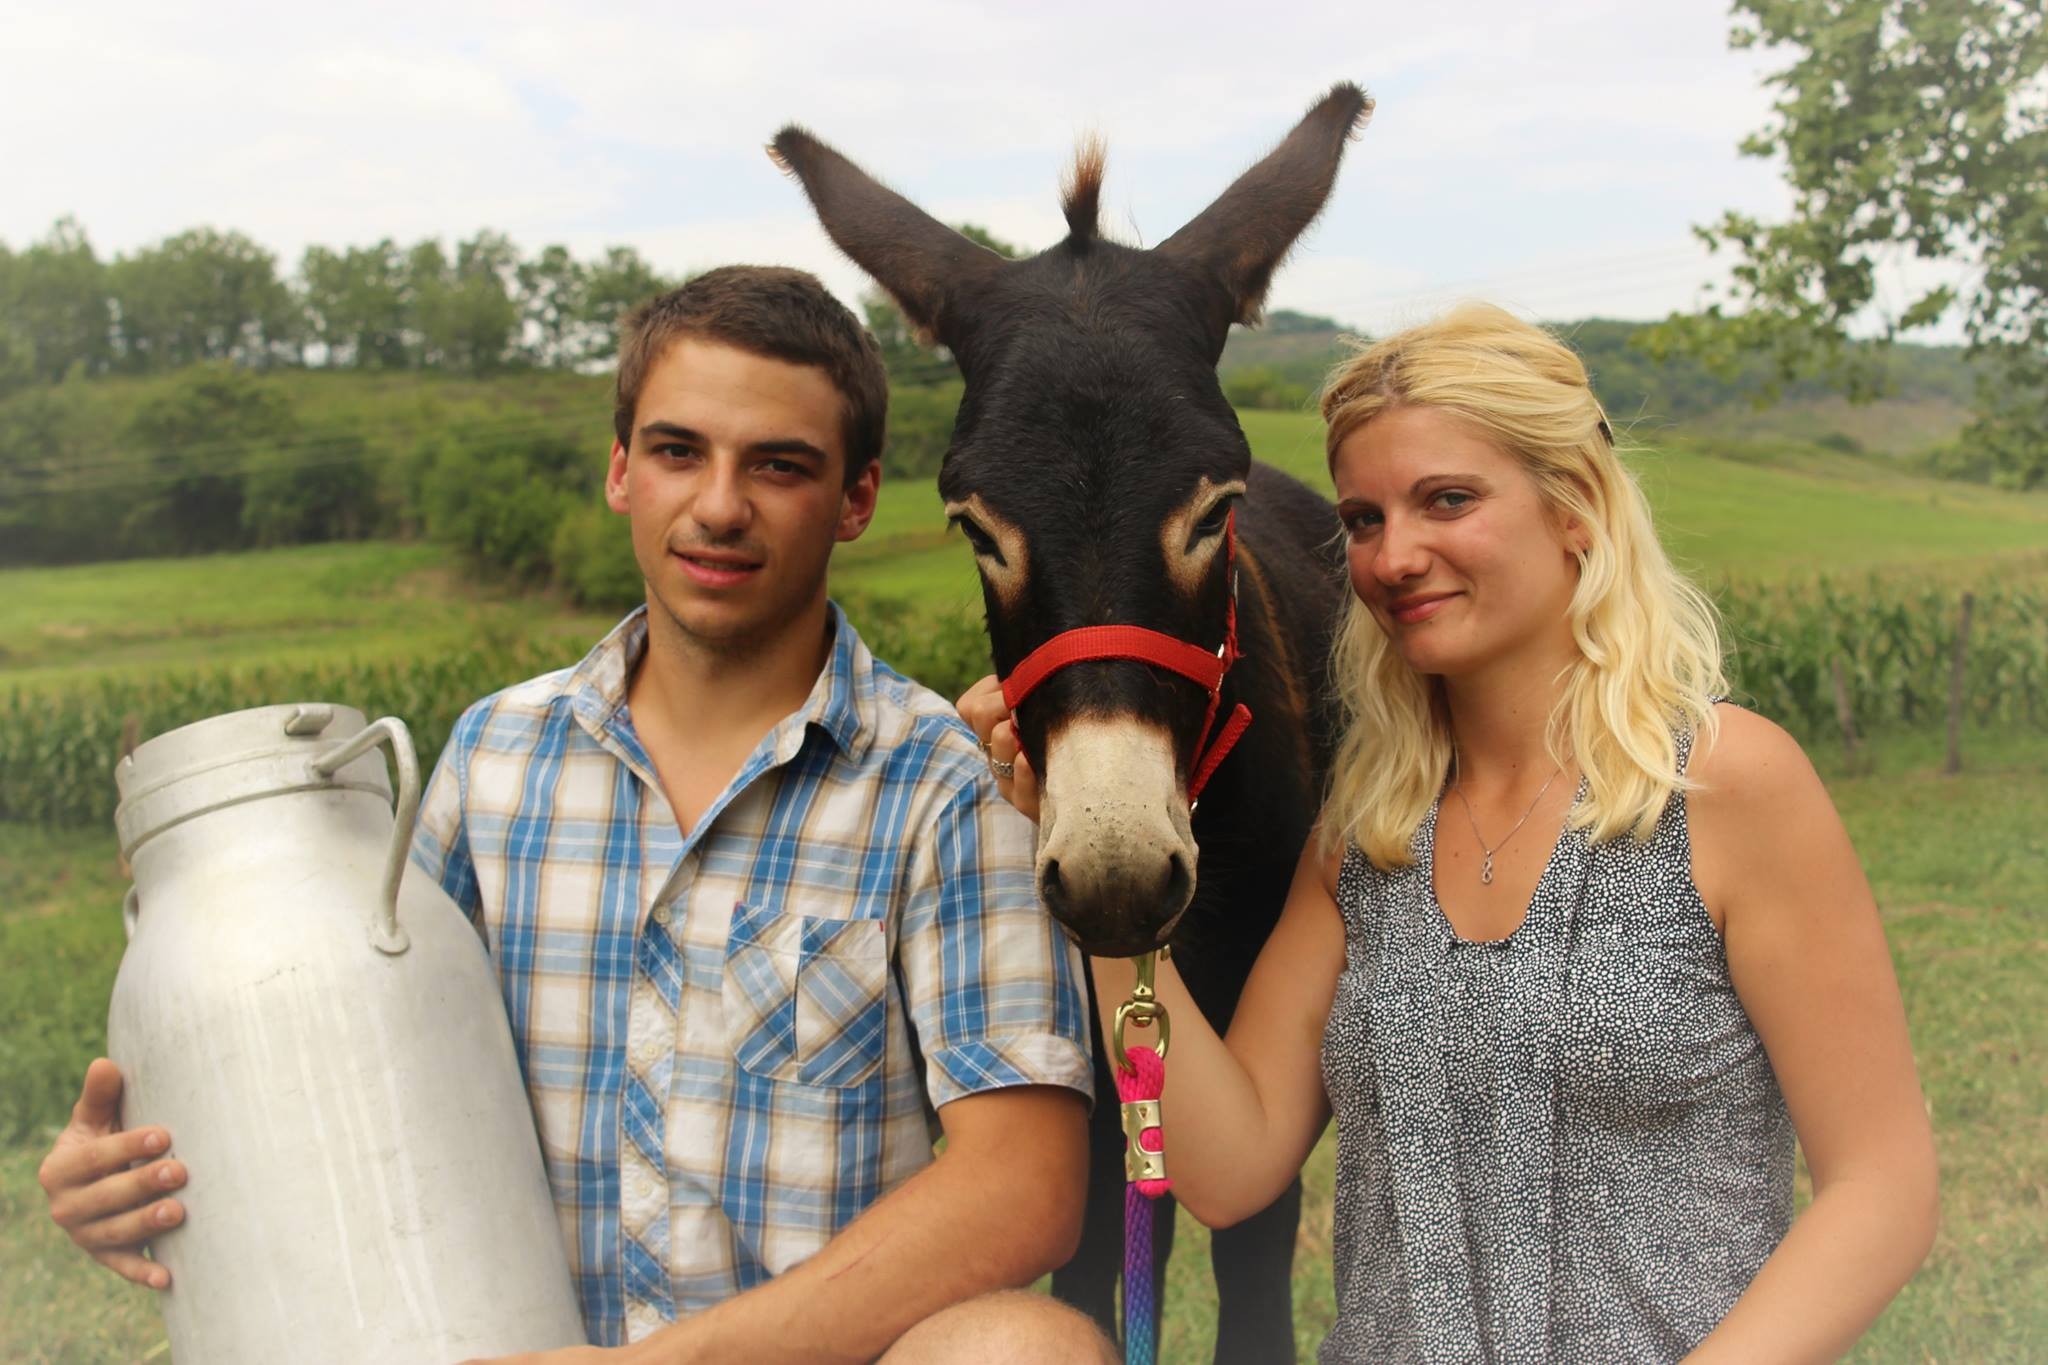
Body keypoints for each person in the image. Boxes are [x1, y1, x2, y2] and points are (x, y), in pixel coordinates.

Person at [41, 266, 1118, 1364]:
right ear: (621, 471)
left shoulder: (939, 786)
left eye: (778, 466)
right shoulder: (492, 759)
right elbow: (345, 1081)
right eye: (676, 451)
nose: (717, 506)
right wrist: (132, 1179)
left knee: (1022, 1348)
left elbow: (1019, 1190)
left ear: (854, 499)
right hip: (493, 1345)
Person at [960, 303, 1940, 1362]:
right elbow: (1230, 1165)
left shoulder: (1719, 786)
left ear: (1573, 507)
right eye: (1364, 519)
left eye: (1446, 500)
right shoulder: (1367, 835)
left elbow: (1881, 1187)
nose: (1392, 557)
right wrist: (1115, 913)